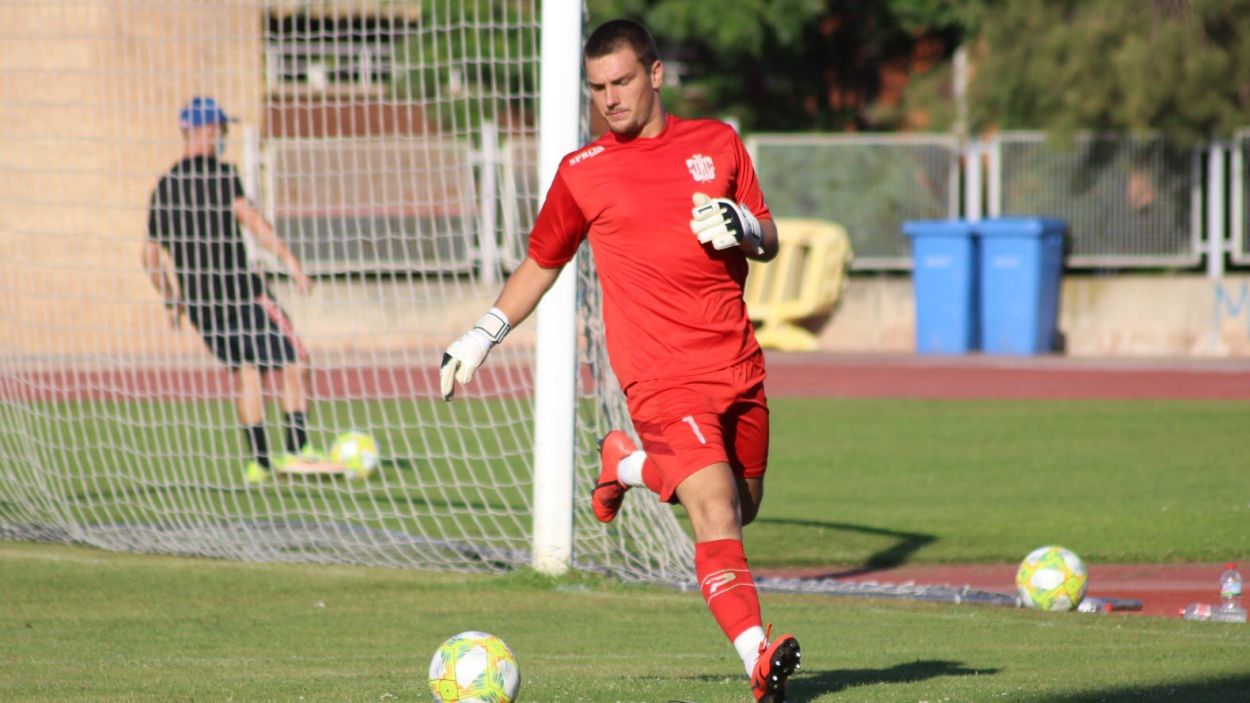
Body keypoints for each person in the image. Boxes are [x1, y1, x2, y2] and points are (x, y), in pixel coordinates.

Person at [438, 20, 800, 703]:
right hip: (660, 376)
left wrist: (745, 226)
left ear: (656, 74)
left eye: (622, 81)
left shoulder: (718, 142)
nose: (609, 98)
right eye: (597, 87)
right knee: (716, 510)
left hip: (737, 363)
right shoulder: (582, 172)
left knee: (743, 505)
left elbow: (768, 235)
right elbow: (541, 262)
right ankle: (759, 655)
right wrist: (481, 336)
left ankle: (626, 463)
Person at [144, 96, 322, 485]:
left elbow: (151, 255)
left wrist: (171, 297)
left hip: (202, 307)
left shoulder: (165, 186)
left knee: (247, 372)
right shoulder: (222, 176)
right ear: (207, 130)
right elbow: (252, 221)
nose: (223, 137)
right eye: (222, 130)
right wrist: (290, 261)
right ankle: (297, 451)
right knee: (296, 359)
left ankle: (259, 464)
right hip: (242, 294)